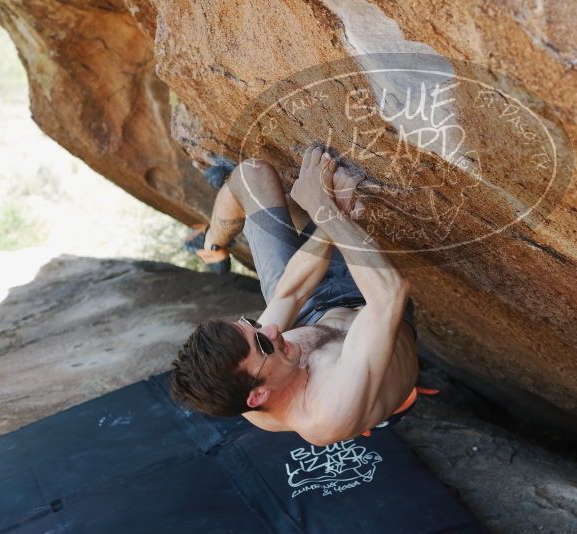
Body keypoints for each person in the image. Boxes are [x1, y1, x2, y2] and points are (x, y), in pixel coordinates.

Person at [170, 146, 421, 446]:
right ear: (259, 395)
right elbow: (389, 296)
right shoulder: (327, 412)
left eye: (252, 323)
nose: (273, 329)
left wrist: (329, 214)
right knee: (312, 199)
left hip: (315, 303)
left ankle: (211, 244)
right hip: (374, 300)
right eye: (262, 343)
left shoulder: (262, 359)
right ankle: (295, 209)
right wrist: (324, 209)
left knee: (252, 174)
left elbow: (291, 293)